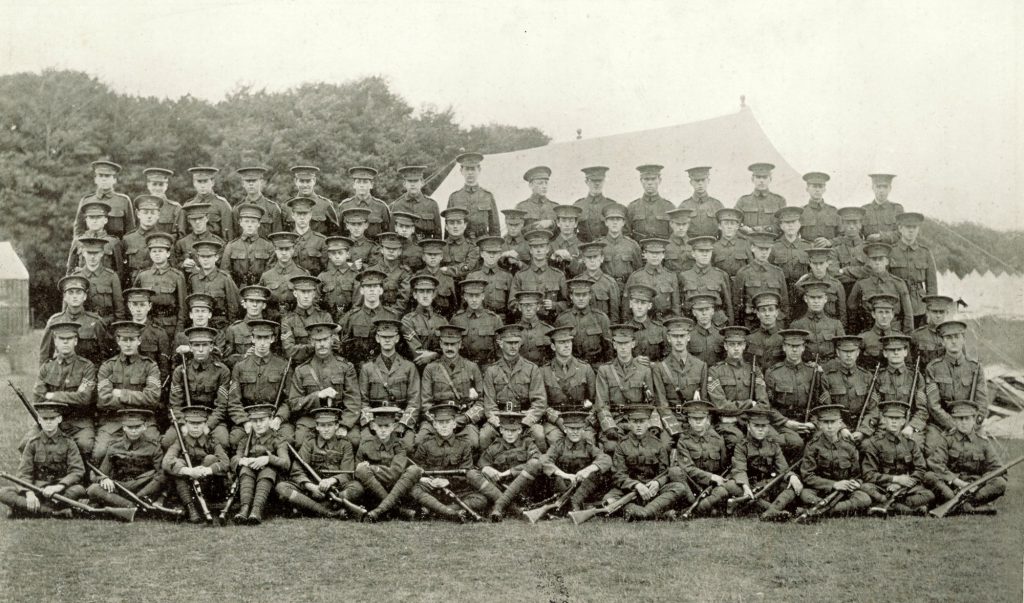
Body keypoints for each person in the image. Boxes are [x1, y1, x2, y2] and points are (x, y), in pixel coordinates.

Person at [0, 402, 87, 518]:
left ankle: (24, 509)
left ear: (59, 419)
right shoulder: (32, 443)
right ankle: (55, 512)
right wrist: (29, 493)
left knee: (79, 490)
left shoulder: (69, 443)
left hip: (60, 490)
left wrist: (59, 486)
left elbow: (77, 471)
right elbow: (24, 473)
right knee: (4, 492)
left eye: (52, 418)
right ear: (39, 420)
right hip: (37, 489)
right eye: (45, 419)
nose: (49, 422)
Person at [25, 322, 97, 458]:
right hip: (50, 419)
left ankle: (81, 477)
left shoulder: (87, 367)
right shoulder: (47, 367)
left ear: (75, 341)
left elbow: (84, 398)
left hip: (78, 421)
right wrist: (71, 397)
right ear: (55, 342)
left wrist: (52, 395)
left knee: (85, 444)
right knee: (27, 443)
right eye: (61, 339)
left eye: (69, 339)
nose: (65, 343)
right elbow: (38, 397)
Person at [603, 405, 688, 521]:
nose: (638, 425)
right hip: (629, 490)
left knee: (679, 488)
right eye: (635, 421)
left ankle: (640, 512)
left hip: (653, 491)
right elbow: (618, 475)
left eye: (642, 421)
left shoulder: (658, 444)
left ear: (648, 422)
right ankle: (656, 513)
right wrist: (636, 485)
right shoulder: (622, 445)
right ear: (629, 422)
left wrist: (658, 483)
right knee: (608, 499)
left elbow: (665, 472)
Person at [275, 407, 360, 519]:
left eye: (330, 425)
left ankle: (307, 508)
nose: (326, 429)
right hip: (311, 489)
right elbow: (297, 471)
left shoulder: (345, 445)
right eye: (322, 425)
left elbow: (347, 473)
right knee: (282, 487)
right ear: (317, 427)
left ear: (337, 426)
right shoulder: (309, 443)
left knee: (357, 488)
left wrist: (331, 481)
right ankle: (329, 512)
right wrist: (311, 487)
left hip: (335, 489)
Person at [94, 321, 162, 463]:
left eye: (132, 339)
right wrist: (138, 398)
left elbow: (152, 398)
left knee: (154, 448)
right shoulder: (107, 367)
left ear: (139, 341)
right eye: (124, 340)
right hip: (114, 420)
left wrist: (121, 394)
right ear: (118, 341)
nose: (128, 344)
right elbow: (103, 400)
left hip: (144, 420)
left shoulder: (150, 366)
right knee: (100, 452)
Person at [409, 401, 488, 522]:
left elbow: (466, 472)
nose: (444, 426)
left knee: (481, 499)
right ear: (434, 424)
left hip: (455, 489)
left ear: (454, 424)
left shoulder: (464, 445)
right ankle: (451, 512)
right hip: (431, 488)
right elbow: (417, 468)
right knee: (414, 490)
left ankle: (437, 511)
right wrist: (426, 479)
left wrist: (448, 481)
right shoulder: (425, 444)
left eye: (448, 422)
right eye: (440, 423)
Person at [285, 322, 360, 448]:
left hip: (339, 418)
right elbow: (294, 403)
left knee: (354, 440)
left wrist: (344, 425)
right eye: (317, 340)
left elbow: (353, 401)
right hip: (311, 419)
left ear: (331, 340)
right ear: (311, 342)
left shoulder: (346, 367)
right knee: (300, 440)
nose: (322, 344)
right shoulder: (301, 370)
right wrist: (317, 396)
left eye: (325, 339)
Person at [794, 404, 873, 522]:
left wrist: (856, 483)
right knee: (805, 494)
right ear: (820, 425)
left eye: (833, 422)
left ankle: (818, 511)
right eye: (825, 422)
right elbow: (807, 476)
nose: (829, 426)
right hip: (820, 490)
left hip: (843, 492)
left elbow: (857, 474)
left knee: (864, 498)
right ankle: (835, 510)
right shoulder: (812, 446)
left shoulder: (849, 446)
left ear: (840, 424)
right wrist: (833, 484)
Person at [927, 401, 1007, 514]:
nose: (963, 423)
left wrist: (979, 483)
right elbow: (935, 463)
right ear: (954, 420)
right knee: (929, 476)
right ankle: (973, 508)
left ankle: (961, 506)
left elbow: (997, 469)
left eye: (967, 419)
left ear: (974, 420)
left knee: (1000, 482)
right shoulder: (947, 439)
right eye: (960, 419)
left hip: (975, 489)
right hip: (951, 487)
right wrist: (957, 482)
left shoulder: (983, 442)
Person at [651, 317, 725, 438]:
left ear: (688, 337)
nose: (679, 340)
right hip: (673, 419)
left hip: (696, 418)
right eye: (675, 336)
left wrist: (699, 423)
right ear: (669, 339)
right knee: (665, 445)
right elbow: (662, 405)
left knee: (716, 441)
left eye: (682, 336)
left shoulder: (701, 366)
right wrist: (676, 429)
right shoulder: (660, 368)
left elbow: (705, 401)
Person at [860, 401, 937, 516]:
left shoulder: (911, 443)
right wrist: (894, 479)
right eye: (890, 418)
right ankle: (909, 510)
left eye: (898, 418)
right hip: (882, 487)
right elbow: (869, 474)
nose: (894, 421)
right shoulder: (874, 443)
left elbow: (920, 469)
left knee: (929, 494)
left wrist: (902, 484)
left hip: (905, 488)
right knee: (864, 487)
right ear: (884, 420)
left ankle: (890, 506)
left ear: (903, 421)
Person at [479, 324, 548, 452]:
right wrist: (496, 421)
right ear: (500, 343)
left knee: (539, 434)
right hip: (500, 418)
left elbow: (540, 401)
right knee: (485, 435)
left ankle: (540, 467)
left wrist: (530, 418)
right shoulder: (492, 370)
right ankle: (485, 467)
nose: (513, 346)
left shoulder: (532, 369)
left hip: (523, 418)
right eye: (509, 343)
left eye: (516, 342)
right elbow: (489, 403)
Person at [922, 320, 987, 455]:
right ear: (943, 342)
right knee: (933, 450)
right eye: (948, 338)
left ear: (963, 339)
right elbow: (933, 406)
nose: (953, 341)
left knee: (981, 451)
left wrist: (972, 424)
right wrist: (954, 425)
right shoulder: (933, 368)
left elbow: (982, 402)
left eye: (957, 337)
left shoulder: (975, 367)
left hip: (970, 423)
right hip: (941, 425)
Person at [165, 326, 235, 449]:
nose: (201, 349)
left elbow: (221, 406)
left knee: (222, 441)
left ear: (212, 347)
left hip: (211, 418)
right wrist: (182, 424)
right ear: (190, 348)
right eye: (196, 345)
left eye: (205, 345)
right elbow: (174, 404)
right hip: (186, 419)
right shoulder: (180, 371)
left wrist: (208, 425)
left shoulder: (222, 371)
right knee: (167, 441)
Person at [417, 325, 485, 449]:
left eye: (453, 344)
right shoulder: (430, 369)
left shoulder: (472, 368)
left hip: (463, 417)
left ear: (460, 344)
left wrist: (464, 418)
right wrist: (438, 422)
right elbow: (425, 403)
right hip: (437, 419)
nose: (449, 348)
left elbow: (481, 402)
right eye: (446, 344)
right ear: (440, 344)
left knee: (473, 443)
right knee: (420, 441)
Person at [227, 320, 291, 448]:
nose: (262, 343)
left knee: (287, 438)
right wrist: (244, 422)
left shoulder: (283, 366)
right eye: (259, 338)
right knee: (235, 440)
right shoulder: (240, 367)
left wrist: (279, 418)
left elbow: (289, 399)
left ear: (272, 339)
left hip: (273, 418)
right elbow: (234, 401)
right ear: (252, 339)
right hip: (249, 418)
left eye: (266, 338)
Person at [729, 406, 801, 521]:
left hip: (769, 484)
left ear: (768, 428)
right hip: (750, 485)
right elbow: (740, 469)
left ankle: (770, 512)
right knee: (735, 487)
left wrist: (791, 476)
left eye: (764, 426)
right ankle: (774, 511)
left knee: (792, 486)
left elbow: (783, 468)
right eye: (756, 426)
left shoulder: (774, 445)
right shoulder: (741, 446)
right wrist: (745, 486)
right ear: (748, 426)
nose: (760, 429)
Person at [595, 324, 659, 451]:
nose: (623, 347)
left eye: (626, 343)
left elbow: (650, 403)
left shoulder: (644, 370)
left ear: (633, 344)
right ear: (614, 345)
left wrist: (649, 425)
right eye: (619, 343)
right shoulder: (605, 370)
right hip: (616, 420)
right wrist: (610, 427)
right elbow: (602, 405)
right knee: (611, 446)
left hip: (638, 421)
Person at [358, 319, 421, 450]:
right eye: (383, 337)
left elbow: (414, 401)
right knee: (366, 445)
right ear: (377, 338)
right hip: (375, 421)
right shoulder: (368, 368)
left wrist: (402, 425)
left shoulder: (409, 367)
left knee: (407, 446)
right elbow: (363, 401)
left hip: (399, 420)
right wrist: (372, 424)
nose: (387, 340)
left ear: (397, 338)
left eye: (391, 337)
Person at [86, 408, 167, 510]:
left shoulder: (154, 447)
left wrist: (142, 494)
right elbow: (102, 473)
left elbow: (160, 475)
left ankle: (135, 501)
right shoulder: (114, 446)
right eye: (130, 427)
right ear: (124, 427)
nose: (133, 431)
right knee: (93, 489)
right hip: (120, 487)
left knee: (163, 476)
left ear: (144, 427)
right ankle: (132, 505)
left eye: (137, 427)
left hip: (144, 487)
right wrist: (104, 479)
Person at [161, 404, 230, 523]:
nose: (195, 427)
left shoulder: (212, 441)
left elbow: (225, 462)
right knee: (179, 463)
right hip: (187, 486)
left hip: (209, 487)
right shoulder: (180, 442)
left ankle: (206, 503)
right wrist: (188, 471)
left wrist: (207, 470)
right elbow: (167, 461)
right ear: (186, 425)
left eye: (199, 424)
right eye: (192, 424)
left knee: (210, 459)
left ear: (205, 425)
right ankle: (190, 506)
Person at [354, 404, 423, 522]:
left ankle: (379, 511)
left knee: (414, 470)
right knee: (361, 470)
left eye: (387, 426)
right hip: (373, 491)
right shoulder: (365, 444)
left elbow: (394, 473)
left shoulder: (399, 445)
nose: (383, 430)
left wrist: (373, 469)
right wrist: (364, 469)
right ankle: (398, 510)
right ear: (373, 426)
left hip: (395, 488)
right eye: (379, 426)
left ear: (394, 427)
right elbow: (358, 471)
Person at [674, 400, 742, 518]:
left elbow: (724, 465)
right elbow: (687, 469)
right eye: (694, 418)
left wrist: (719, 479)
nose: (698, 422)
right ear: (689, 420)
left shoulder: (718, 439)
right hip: (693, 486)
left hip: (714, 486)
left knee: (723, 492)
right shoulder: (683, 441)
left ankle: (702, 509)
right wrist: (710, 477)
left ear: (707, 419)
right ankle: (698, 509)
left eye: (701, 418)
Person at [476, 411, 544, 522]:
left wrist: (508, 472)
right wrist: (486, 468)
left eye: (513, 430)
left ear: (520, 430)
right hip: (502, 488)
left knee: (535, 464)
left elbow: (536, 461)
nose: (510, 434)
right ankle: (512, 508)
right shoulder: (495, 447)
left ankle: (499, 506)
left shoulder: (527, 443)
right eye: (506, 430)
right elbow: (481, 464)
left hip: (525, 489)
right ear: (501, 430)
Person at [539, 410, 612, 512]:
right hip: (563, 487)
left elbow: (606, 459)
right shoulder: (558, 445)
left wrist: (586, 471)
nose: (575, 432)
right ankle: (569, 505)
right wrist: (565, 475)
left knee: (597, 473)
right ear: (565, 429)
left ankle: (574, 503)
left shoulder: (588, 446)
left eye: (578, 429)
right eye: (571, 429)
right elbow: (544, 460)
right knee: (554, 476)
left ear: (583, 430)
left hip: (583, 488)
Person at [763, 329, 819, 459]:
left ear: (803, 348)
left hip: (808, 422)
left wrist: (813, 423)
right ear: (784, 347)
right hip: (783, 423)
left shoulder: (813, 372)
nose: (794, 350)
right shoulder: (773, 373)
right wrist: (786, 422)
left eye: (798, 346)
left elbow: (821, 403)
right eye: (790, 346)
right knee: (796, 443)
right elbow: (768, 406)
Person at [230, 403, 290, 525]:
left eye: (262, 420)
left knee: (267, 470)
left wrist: (268, 459)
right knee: (246, 469)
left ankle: (256, 510)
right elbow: (235, 459)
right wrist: (244, 461)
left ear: (270, 420)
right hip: (248, 482)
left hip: (271, 486)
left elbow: (286, 463)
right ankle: (244, 509)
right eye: (254, 421)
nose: (258, 424)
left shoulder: (278, 439)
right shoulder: (245, 440)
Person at [540, 326, 598, 447]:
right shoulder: (544, 371)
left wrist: (587, 420)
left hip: (581, 418)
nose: (567, 346)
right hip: (556, 421)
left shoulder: (585, 368)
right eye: (561, 343)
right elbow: (541, 403)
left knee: (587, 441)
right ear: (553, 346)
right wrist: (556, 420)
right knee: (555, 440)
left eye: (569, 342)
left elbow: (595, 399)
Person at [39, 275, 111, 367]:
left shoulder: (96, 322)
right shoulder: (55, 322)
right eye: (70, 292)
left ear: (84, 296)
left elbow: (106, 357)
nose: (74, 296)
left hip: (89, 377)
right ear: (64, 297)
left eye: (78, 292)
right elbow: (44, 357)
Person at [820, 335, 879, 444]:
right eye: (844, 351)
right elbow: (826, 408)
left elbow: (873, 409)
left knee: (868, 447)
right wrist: (841, 428)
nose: (848, 355)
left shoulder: (867, 376)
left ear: (857, 353)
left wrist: (863, 431)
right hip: (836, 428)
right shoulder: (827, 377)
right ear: (838, 353)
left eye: (852, 351)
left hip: (861, 426)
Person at [847, 242, 914, 334]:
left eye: (881, 259)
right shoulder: (861, 283)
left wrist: (906, 336)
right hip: (868, 331)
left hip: (894, 331)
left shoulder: (898, 283)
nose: (877, 262)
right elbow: (851, 310)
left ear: (887, 261)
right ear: (869, 262)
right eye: (874, 259)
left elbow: (908, 314)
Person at [872, 334, 928, 442]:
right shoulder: (878, 377)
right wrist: (886, 425)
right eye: (891, 350)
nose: (896, 352)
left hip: (909, 426)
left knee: (915, 444)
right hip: (884, 426)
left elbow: (922, 409)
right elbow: (874, 408)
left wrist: (911, 427)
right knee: (876, 445)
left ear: (905, 352)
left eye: (899, 349)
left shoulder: (915, 376)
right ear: (885, 353)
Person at [134, 231, 188, 342]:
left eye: (161, 251)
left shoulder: (176, 276)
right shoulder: (143, 276)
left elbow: (183, 308)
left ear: (168, 253)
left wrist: (179, 332)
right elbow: (133, 301)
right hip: (148, 325)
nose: (157, 254)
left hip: (169, 326)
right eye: (154, 251)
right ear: (149, 253)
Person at [336, 269, 398, 364]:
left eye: (375, 286)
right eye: (368, 286)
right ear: (361, 290)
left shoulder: (392, 316)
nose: (372, 290)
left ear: (381, 290)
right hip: (358, 368)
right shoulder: (352, 317)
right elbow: (340, 339)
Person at [888, 212, 938, 328]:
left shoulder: (925, 252)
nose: (911, 231)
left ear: (918, 229)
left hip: (919, 305)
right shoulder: (891, 252)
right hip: (897, 304)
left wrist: (931, 309)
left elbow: (932, 285)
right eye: (907, 227)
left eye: (914, 227)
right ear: (900, 228)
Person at [509, 229, 568, 324]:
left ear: (547, 249)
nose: (539, 250)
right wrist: (527, 307)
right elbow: (512, 303)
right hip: (527, 325)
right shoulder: (520, 276)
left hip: (552, 324)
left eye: (542, 246)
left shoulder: (558, 275)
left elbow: (568, 303)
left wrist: (554, 305)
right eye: (535, 247)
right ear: (531, 250)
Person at [733, 232, 789, 327]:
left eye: (767, 249)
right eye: (760, 249)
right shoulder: (743, 273)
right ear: (753, 248)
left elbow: (784, 304)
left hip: (774, 324)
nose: (764, 252)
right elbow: (737, 304)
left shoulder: (778, 273)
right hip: (751, 323)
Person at [73, 160, 135, 239]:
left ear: (114, 180)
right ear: (95, 179)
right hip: (92, 248)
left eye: (107, 176)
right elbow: (78, 231)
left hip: (117, 248)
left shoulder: (123, 201)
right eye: (100, 176)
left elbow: (130, 231)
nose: (104, 179)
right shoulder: (86, 201)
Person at [555, 278, 611, 365]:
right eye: (577, 295)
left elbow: (608, 349)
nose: (581, 298)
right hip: (572, 367)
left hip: (596, 367)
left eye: (584, 295)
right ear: (571, 296)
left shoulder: (601, 318)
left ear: (590, 296)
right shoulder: (562, 319)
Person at [279, 275, 333, 365]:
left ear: (314, 294)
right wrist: (317, 346)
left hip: (324, 365)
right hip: (298, 366)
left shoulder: (325, 317)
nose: (306, 296)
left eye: (309, 292)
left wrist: (305, 348)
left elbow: (334, 344)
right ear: (295, 293)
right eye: (303, 292)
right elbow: (289, 350)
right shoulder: (288, 320)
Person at [679, 236, 733, 326]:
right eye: (701, 251)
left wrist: (729, 326)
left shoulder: (721, 275)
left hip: (717, 324)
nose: (705, 254)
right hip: (692, 323)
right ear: (693, 253)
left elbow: (728, 305)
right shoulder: (684, 276)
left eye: (708, 251)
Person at [70, 235, 125, 323]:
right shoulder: (76, 277)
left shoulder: (111, 276)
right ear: (83, 253)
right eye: (89, 253)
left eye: (96, 253)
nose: (92, 257)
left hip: (106, 326)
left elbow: (119, 310)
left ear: (102, 253)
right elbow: (68, 309)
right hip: (83, 325)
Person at [449, 278, 503, 367]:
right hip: (463, 367)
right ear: (465, 297)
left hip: (488, 366)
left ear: (483, 296)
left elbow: (500, 350)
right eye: (470, 296)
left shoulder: (494, 319)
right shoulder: (456, 320)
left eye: (477, 295)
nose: (474, 300)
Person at [67, 200, 125, 282]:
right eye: (91, 217)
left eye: (98, 217)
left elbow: (120, 272)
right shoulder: (78, 241)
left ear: (105, 220)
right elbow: (70, 270)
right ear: (86, 220)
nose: (94, 221)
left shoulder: (113, 242)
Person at [445, 152, 499, 239]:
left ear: (479, 170)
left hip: (483, 242)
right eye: (467, 169)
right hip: (461, 243)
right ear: (461, 171)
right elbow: (448, 227)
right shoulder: (454, 197)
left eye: (473, 169)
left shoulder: (488, 196)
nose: (470, 173)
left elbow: (495, 228)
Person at [188, 240, 240, 331]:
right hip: (198, 327)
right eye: (202, 256)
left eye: (209, 256)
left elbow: (233, 308)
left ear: (216, 257)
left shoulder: (225, 278)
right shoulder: (193, 279)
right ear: (198, 258)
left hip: (220, 327)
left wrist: (229, 330)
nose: (205, 259)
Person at [624, 237, 680, 320]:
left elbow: (675, 307)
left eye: (658, 253)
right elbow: (627, 307)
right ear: (645, 254)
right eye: (651, 252)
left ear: (663, 255)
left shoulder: (671, 276)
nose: (654, 256)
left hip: (665, 321)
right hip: (642, 321)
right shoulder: (636, 276)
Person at [259, 232, 310, 319]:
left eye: (287, 249)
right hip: (272, 320)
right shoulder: (266, 276)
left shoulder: (302, 274)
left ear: (293, 250)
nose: (284, 253)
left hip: (296, 319)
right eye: (280, 249)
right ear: (275, 250)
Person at [788, 281, 845, 359]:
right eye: (812, 298)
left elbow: (843, 352)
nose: (816, 301)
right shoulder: (796, 325)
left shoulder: (836, 324)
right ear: (805, 299)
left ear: (825, 299)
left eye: (819, 297)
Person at [221, 285, 273, 370]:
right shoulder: (234, 329)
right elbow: (226, 359)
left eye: (258, 301)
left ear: (264, 305)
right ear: (244, 304)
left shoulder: (272, 328)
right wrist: (244, 356)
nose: (254, 305)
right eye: (251, 301)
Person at [400, 274, 448, 367]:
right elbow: (417, 353)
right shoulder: (408, 320)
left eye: (428, 292)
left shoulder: (442, 321)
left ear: (433, 295)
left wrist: (433, 356)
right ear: (415, 295)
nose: (425, 296)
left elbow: (448, 348)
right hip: (416, 369)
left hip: (438, 369)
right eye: (421, 292)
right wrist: (437, 354)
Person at [224, 204, 276, 288]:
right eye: (246, 221)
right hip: (237, 289)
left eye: (253, 221)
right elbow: (225, 273)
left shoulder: (268, 246)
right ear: (240, 222)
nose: (249, 225)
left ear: (259, 223)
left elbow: (271, 274)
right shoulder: (231, 246)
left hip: (261, 289)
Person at [124, 287, 172, 379]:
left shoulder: (159, 333)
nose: (138, 309)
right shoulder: (122, 331)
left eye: (142, 305)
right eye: (135, 304)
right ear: (129, 306)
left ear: (149, 306)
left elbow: (163, 368)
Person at [792, 247, 846, 326]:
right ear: (810, 263)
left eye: (821, 263)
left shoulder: (836, 284)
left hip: (830, 329)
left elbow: (842, 313)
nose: (818, 268)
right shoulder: (802, 284)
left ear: (827, 263)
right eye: (815, 264)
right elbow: (797, 311)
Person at [465, 236, 513, 319]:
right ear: (482, 254)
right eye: (488, 252)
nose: (492, 256)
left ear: (499, 255)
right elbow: (465, 303)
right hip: (479, 319)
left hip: (501, 319)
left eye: (495, 253)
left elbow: (511, 303)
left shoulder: (507, 276)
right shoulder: (472, 276)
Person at [182, 166, 235, 242]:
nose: (202, 186)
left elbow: (228, 235)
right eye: (199, 182)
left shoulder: (222, 204)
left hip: (216, 247)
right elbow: (183, 234)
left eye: (205, 181)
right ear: (194, 183)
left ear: (212, 182)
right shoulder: (188, 205)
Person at [574, 166, 625, 242]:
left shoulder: (612, 205)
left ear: (604, 181)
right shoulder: (578, 206)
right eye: (593, 181)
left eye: (600, 180)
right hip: (584, 248)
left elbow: (622, 232)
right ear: (586, 182)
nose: (597, 184)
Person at [337, 166, 390, 239]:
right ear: (354, 185)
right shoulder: (344, 206)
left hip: (374, 248)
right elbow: (339, 232)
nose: (361, 185)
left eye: (365, 182)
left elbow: (387, 233)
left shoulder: (381, 207)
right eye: (358, 182)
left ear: (371, 185)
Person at [391, 165, 442, 240]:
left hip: (425, 248)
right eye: (410, 181)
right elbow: (392, 235)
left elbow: (438, 235)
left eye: (416, 181)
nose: (413, 184)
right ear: (404, 184)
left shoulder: (432, 205)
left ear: (422, 182)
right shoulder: (397, 205)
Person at [122, 195, 165, 285]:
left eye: (153, 213)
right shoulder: (128, 239)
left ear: (158, 215)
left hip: (157, 285)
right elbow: (123, 269)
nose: (149, 216)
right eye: (145, 212)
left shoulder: (165, 238)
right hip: (133, 286)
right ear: (138, 214)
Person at [596, 205, 642, 287]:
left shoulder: (632, 245)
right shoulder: (599, 245)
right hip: (605, 287)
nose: (615, 222)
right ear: (606, 222)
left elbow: (638, 271)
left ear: (623, 223)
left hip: (627, 287)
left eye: (618, 219)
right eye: (611, 219)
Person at [232, 166, 283, 239]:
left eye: (254, 181)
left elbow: (278, 239)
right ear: (243, 184)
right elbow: (235, 238)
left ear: (261, 182)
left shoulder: (272, 208)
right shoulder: (237, 209)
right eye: (248, 181)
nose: (251, 184)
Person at [736, 162, 786, 234]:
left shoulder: (779, 201)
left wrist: (764, 229)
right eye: (758, 177)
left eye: (765, 177)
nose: (761, 181)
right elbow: (735, 223)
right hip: (749, 242)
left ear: (770, 179)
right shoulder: (743, 201)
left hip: (772, 242)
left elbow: (784, 224)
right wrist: (743, 228)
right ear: (752, 179)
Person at [857, 294, 905, 369]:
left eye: (887, 312)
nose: (884, 316)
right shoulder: (863, 338)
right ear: (873, 314)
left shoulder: (900, 337)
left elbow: (907, 365)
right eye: (880, 312)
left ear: (892, 314)